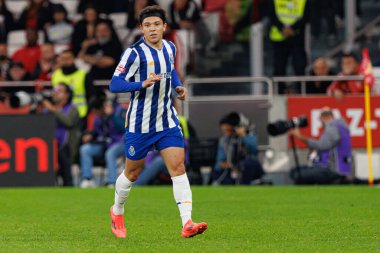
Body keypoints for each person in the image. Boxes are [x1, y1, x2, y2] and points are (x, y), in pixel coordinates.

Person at [108, 5, 207, 238]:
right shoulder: (134, 53)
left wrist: (177, 86)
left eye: (156, 24)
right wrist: (139, 84)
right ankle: (117, 210)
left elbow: (170, 70)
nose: (152, 29)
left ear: (164, 26)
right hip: (139, 123)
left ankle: (187, 223)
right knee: (132, 173)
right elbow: (114, 83)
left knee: (178, 168)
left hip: (166, 120)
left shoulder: (170, 47)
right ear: (141, 29)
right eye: (147, 25)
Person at [289, 107, 353, 184]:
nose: (321, 122)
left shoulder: (333, 128)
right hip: (340, 168)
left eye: (322, 119)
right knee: (295, 171)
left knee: (297, 174)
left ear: (328, 117)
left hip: (334, 169)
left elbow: (321, 145)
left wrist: (300, 136)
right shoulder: (341, 127)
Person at [79, 96, 125, 188]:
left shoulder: (119, 111)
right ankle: (87, 179)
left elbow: (123, 127)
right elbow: (97, 132)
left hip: (121, 143)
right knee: (85, 149)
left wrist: (112, 116)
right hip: (105, 144)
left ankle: (111, 181)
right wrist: (90, 136)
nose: (95, 114)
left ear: (101, 108)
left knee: (110, 153)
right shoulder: (98, 117)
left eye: (96, 111)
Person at [42, 83, 80, 186]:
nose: (55, 93)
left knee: (65, 168)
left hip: (66, 147)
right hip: (48, 147)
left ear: (67, 95)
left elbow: (69, 122)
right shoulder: (47, 110)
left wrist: (53, 110)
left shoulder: (72, 109)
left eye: (60, 91)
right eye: (55, 90)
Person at [269, 0, 310, 94]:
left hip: (296, 38)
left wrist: (292, 28)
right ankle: (279, 93)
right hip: (278, 39)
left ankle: (301, 93)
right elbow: (271, 14)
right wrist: (282, 28)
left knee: (299, 67)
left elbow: (306, 16)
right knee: (279, 68)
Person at [212, 112, 264, 185]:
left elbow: (253, 149)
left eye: (228, 129)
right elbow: (219, 162)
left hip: (246, 168)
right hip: (229, 170)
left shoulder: (249, 136)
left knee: (249, 163)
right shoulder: (223, 140)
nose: (226, 131)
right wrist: (224, 164)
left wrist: (244, 136)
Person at [51, 49, 95, 121]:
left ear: (73, 59)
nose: (66, 61)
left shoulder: (83, 75)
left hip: (80, 114)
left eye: (68, 58)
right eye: (63, 59)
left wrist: (87, 111)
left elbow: (92, 96)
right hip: (61, 114)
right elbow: (54, 94)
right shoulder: (55, 75)